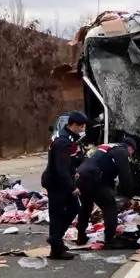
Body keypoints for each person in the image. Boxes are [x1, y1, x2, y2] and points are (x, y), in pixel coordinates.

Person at [74, 135, 138, 250]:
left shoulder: (108, 147)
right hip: (95, 178)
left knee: (85, 207)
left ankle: (81, 236)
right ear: (130, 148)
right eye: (132, 152)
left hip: (82, 176)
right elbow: (125, 175)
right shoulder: (121, 151)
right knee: (109, 206)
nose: (131, 155)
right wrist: (129, 195)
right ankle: (109, 239)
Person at [40, 111, 88, 259]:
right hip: (56, 182)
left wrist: (75, 170)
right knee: (57, 214)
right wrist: (73, 187)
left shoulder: (69, 138)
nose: (82, 129)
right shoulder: (63, 141)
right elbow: (61, 169)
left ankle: (56, 240)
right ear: (72, 125)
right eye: (80, 126)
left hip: (62, 181)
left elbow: (69, 162)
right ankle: (56, 248)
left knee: (74, 208)